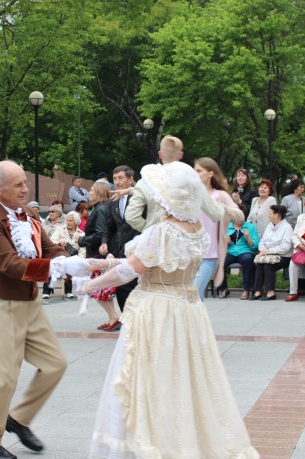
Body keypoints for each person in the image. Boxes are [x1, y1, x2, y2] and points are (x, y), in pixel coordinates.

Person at [80, 160, 260, 459]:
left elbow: (129, 271)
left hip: (157, 310)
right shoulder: (195, 230)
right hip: (186, 309)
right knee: (187, 380)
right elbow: (138, 262)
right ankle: (193, 447)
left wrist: (89, 286)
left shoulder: (163, 231)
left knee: (153, 379)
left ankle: (157, 452)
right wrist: (92, 264)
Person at [0, 160, 74, 459]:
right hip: (1, 304)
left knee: (55, 364)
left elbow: (49, 248)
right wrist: (57, 267)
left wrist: (70, 261)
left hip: (31, 303)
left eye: (25, 183)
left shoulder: (28, 214)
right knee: (4, 378)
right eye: (18, 185)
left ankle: (18, 418)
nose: (25, 189)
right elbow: (10, 265)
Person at [124, 135, 224, 234]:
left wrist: (149, 230)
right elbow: (216, 214)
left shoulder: (145, 181)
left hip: (156, 243)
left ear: (160, 154)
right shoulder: (191, 181)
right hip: (183, 241)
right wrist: (222, 204)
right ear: (181, 155)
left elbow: (131, 216)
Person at [193, 157, 244, 300]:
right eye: (194, 170)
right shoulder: (191, 194)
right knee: (193, 297)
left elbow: (240, 216)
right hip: (190, 253)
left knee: (195, 294)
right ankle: (199, 322)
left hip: (210, 254)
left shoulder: (220, 195)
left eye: (199, 171)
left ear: (210, 173)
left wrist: (223, 207)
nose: (195, 174)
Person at [78, 180, 118, 329]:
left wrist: (81, 240)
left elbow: (100, 234)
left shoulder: (100, 209)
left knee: (96, 288)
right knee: (101, 290)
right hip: (101, 254)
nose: (89, 192)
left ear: (99, 192)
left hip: (99, 255)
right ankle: (112, 318)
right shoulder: (101, 208)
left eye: (92, 190)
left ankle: (113, 317)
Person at [103, 165, 141, 311]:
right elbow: (110, 227)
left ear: (130, 180)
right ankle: (128, 318)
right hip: (122, 252)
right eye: (114, 178)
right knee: (122, 287)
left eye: (120, 178)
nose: (117, 182)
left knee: (137, 287)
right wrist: (105, 242)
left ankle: (139, 320)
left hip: (140, 251)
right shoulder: (113, 202)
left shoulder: (140, 197)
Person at [252, 204, 293, 301]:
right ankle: (258, 291)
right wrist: (263, 250)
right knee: (260, 264)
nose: (268, 216)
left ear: (277, 215)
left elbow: (285, 247)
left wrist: (269, 251)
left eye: (270, 213)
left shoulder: (287, 227)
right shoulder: (269, 226)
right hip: (267, 255)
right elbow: (262, 241)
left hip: (283, 256)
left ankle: (271, 292)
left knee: (268, 265)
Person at [216, 218, 260, 300]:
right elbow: (219, 244)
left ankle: (246, 289)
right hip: (230, 252)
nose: (240, 218)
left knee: (247, 259)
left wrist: (248, 238)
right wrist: (225, 243)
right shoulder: (226, 227)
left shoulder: (250, 227)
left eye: (242, 216)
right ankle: (224, 288)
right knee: (220, 262)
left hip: (245, 251)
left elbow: (256, 246)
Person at [45, 210, 85, 300]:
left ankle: (68, 291)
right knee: (54, 264)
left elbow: (82, 250)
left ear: (76, 222)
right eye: (67, 220)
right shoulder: (60, 229)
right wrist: (59, 242)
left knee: (72, 263)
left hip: (73, 256)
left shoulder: (81, 234)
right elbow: (51, 241)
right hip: (60, 254)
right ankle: (46, 291)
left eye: (70, 221)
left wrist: (80, 259)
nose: (68, 222)